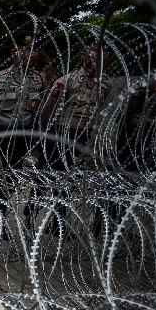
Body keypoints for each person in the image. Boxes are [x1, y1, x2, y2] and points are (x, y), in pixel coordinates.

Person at [39, 35, 112, 236]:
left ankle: (57, 222)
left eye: (104, 52)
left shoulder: (105, 83)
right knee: (53, 177)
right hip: (62, 133)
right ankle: (35, 213)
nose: (99, 56)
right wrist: (47, 134)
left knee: (69, 181)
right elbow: (47, 110)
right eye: (95, 51)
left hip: (84, 136)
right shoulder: (67, 81)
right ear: (84, 55)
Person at [0, 31, 45, 239]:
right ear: (14, 53)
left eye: (34, 50)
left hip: (20, 136)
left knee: (9, 181)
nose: (30, 54)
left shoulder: (39, 80)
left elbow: (37, 111)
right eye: (25, 50)